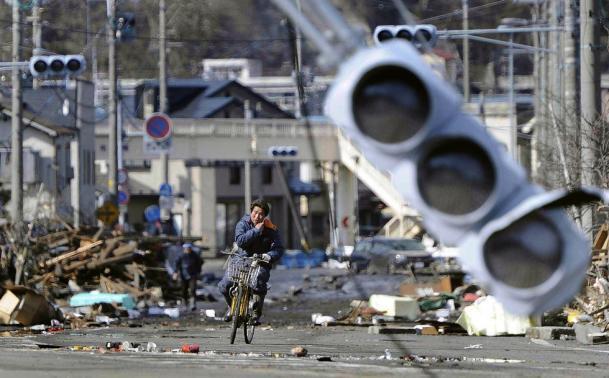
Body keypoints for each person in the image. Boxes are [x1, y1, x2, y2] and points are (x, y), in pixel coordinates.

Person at [218, 199, 284, 325]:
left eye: (261, 214)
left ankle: (255, 314)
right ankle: (231, 307)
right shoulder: (242, 224)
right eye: (255, 212)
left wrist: (268, 256)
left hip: (259, 262)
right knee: (224, 285)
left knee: (259, 282)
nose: (257, 216)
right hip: (240, 260)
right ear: (251, 212)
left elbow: (278, 249)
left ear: (265, 216)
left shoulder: (271, 230)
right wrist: (256, 231)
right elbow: (241, 241)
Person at [173, 243, 203, 311]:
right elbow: (176, 264)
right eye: (186, 249)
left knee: (192, 289)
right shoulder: (181, 256)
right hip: (183, 275)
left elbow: (200, 263)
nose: (187, 250)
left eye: (189, 249)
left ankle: (193, 304)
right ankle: (185, 304)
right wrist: (175, 272)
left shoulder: (194, 255)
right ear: (184, 249)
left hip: (193, 275)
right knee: (184, 290)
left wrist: (198, 272)